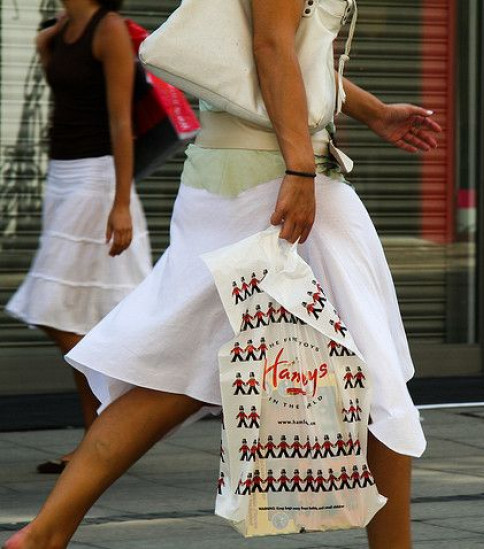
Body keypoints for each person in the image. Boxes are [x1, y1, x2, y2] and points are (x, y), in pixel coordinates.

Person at [2, 1, 441, 548]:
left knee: (176, 374)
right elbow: (269, 49)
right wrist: (301, 167)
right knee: (375, 378)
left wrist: (373, 112)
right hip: (272, 177)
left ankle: (45, 533)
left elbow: (283, 49)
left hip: (244, 174)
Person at [4, 0, 151, 474]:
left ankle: (117, 419)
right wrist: (47, 44)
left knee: (48, 307)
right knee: (75, 315)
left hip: (96, 180)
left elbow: (121, 121)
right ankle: (100, 434)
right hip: (61, 178)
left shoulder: (107, 29)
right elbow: (64, 91)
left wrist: (122, 201)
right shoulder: (61, 30)